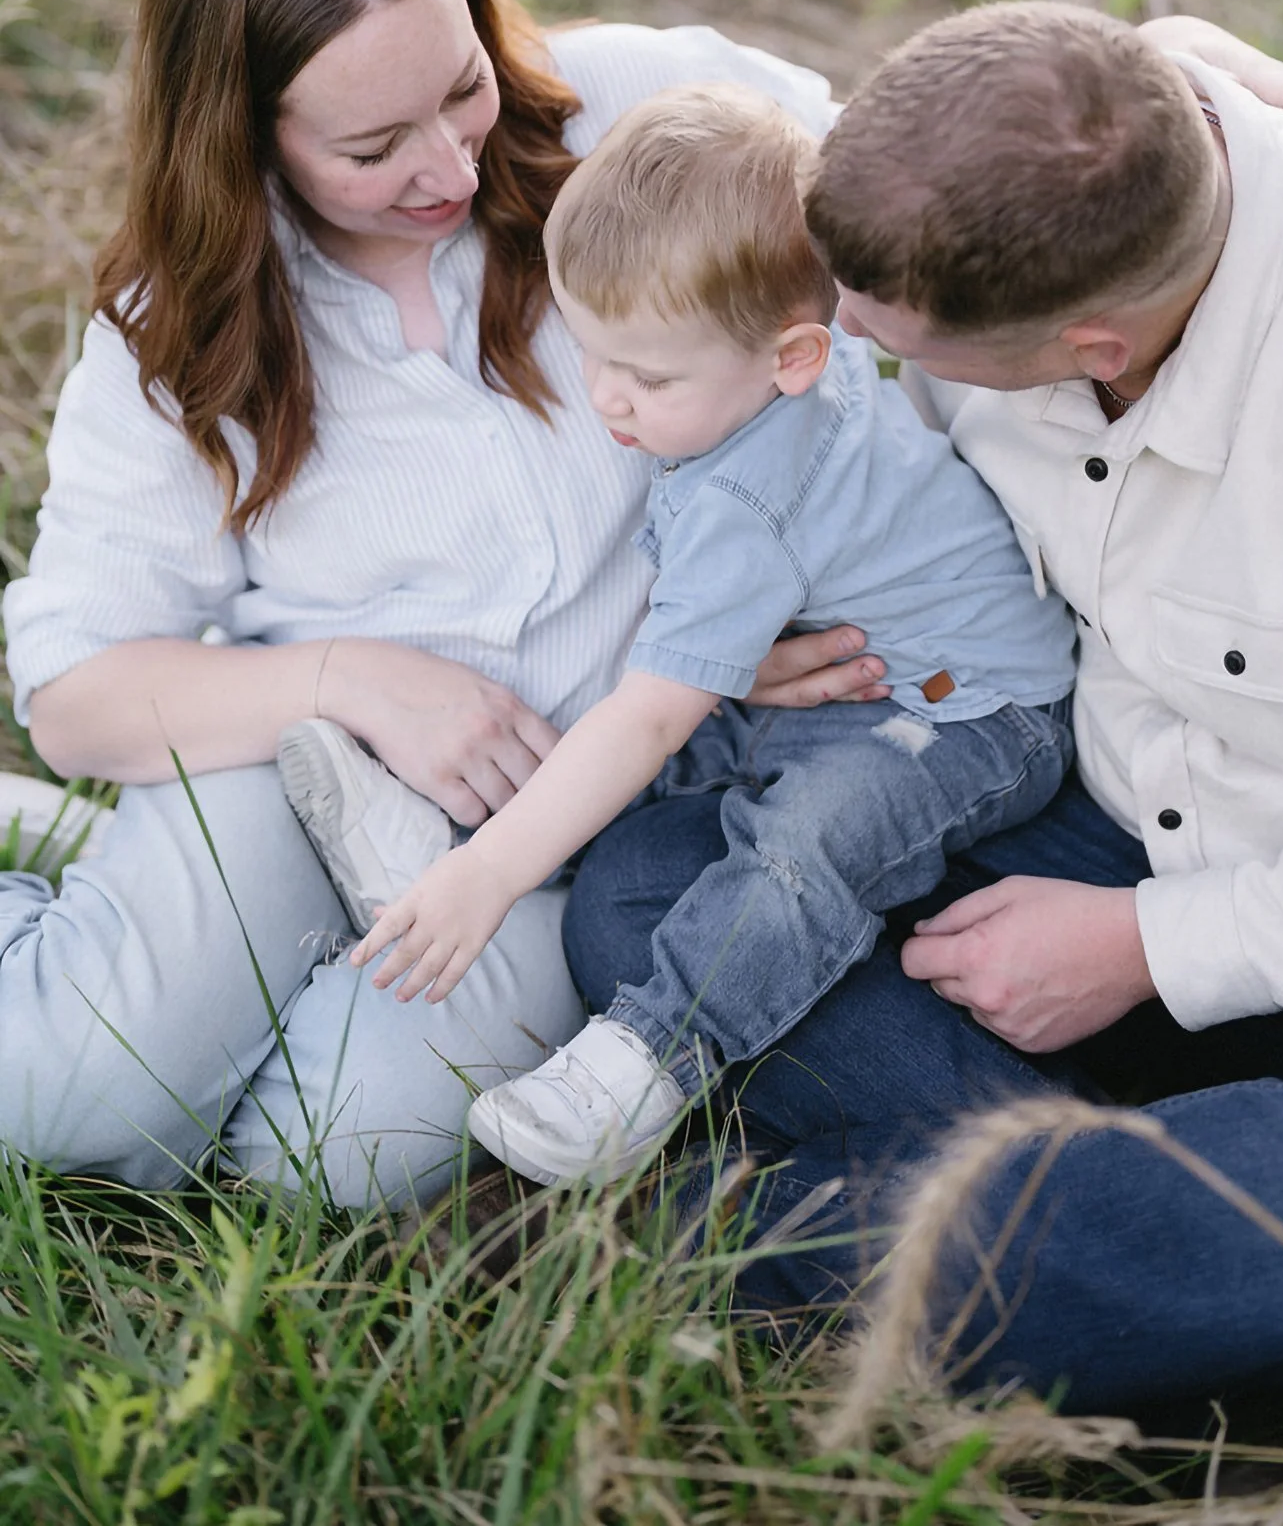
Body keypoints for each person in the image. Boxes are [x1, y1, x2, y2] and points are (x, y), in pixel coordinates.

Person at [563, 0, 1283, 1416]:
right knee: (648, 888)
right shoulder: (1054, 149)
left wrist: (1147, 945)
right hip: (1113, 801)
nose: (845, 355)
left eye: (896, 350)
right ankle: (1175, 1223)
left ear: (1090, 347)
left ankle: (761, 1235)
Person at [0, 0, 876, 1210]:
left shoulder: (632, 113)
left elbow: (914, 172)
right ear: (244, 139)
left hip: (564, 842)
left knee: (330, 1158)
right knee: (77, 1093)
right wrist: (360, 681)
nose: (449, 170)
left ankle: (124, 903)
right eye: (370, 145)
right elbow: (77, 691)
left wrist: (714, 642)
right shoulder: (182, 325)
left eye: (458, 88)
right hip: (301, 779)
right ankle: (75, 914)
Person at [295, 84, 1073, 1184]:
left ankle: (649, 1057)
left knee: (805, 840)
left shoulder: (743, 500)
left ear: (795, 355)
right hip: (857, 670)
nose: (610, 400)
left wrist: (495, 879)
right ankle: (452, 850)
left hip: (970, 712)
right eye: (593, 353)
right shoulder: (767, 356)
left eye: (649, 376)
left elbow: (651, 714)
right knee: (697, 759)